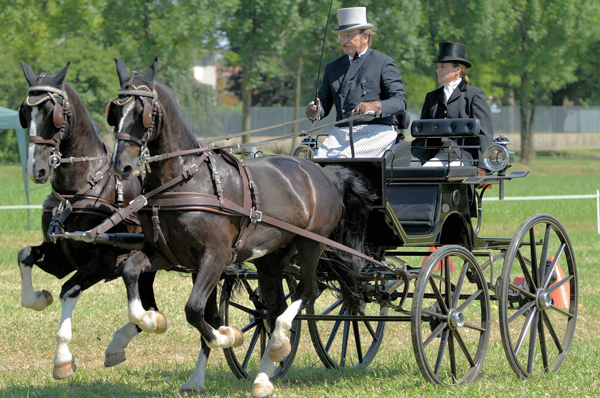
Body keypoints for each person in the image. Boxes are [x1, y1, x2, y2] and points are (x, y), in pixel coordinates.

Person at [305, 6, 406, 158]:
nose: (345, 41)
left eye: (349, 36)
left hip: (376, 131)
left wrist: (375, 105)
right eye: (341, 37)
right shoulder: (332, 67)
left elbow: (399, 101)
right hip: (340, 133)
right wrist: (315, 110)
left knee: (343, 160)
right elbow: (324, 104)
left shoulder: (383, 62)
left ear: (365, 37)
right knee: (317, 162)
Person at [413, 42, 493, 172]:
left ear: (458, 69)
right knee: (421, 173)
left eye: (442, 66)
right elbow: (423, 134)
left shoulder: (474, 95)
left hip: (465, 156)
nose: (438, 70)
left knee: (438, 173)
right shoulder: (431, 97)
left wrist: (483, 166)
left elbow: (485, 134)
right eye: (437, 66)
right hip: (437, 154)